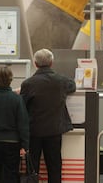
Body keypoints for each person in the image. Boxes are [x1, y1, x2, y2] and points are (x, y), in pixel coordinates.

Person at [20, 48, 76, 183]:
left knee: (32, 167)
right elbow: (73, 86)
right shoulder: (61, 81)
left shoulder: (28, 84)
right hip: (54, 130)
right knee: (54, 166)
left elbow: (22, 106)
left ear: (35, 63)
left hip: (34, 132)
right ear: (52, 63)